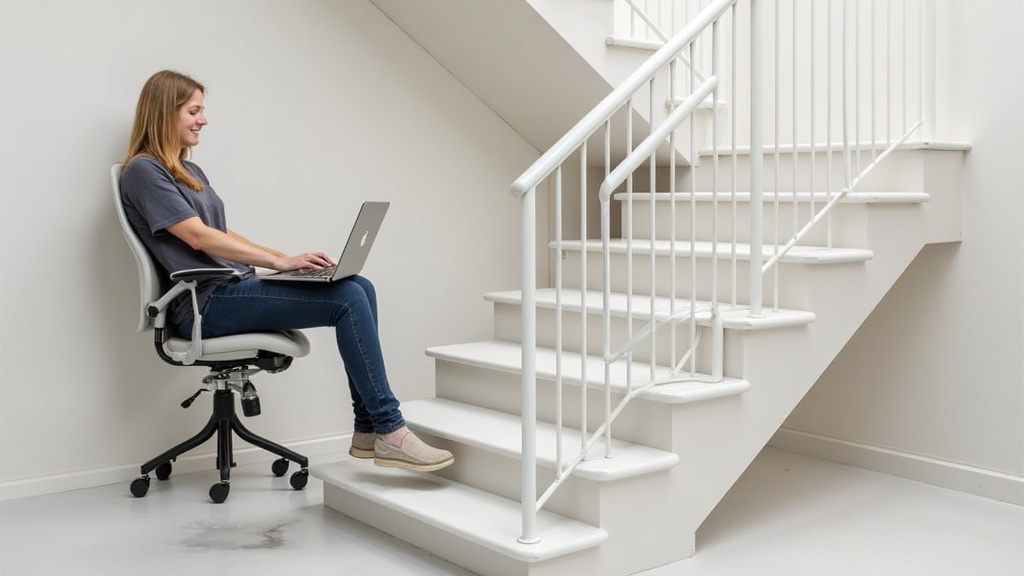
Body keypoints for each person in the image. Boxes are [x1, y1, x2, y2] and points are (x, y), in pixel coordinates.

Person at [119, 70, 453, 472]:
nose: (203, 120)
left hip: (230, 288)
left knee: (359, 285)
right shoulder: (143, 171)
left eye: (201, 111)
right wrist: (278, 264)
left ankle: (368, 429)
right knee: (346, 299)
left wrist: (287, 259)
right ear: (163, 113)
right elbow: (197, 237)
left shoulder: (187, 171)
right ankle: (390, 430)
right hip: (203, 305)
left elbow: (219, 231)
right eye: (194, 111)